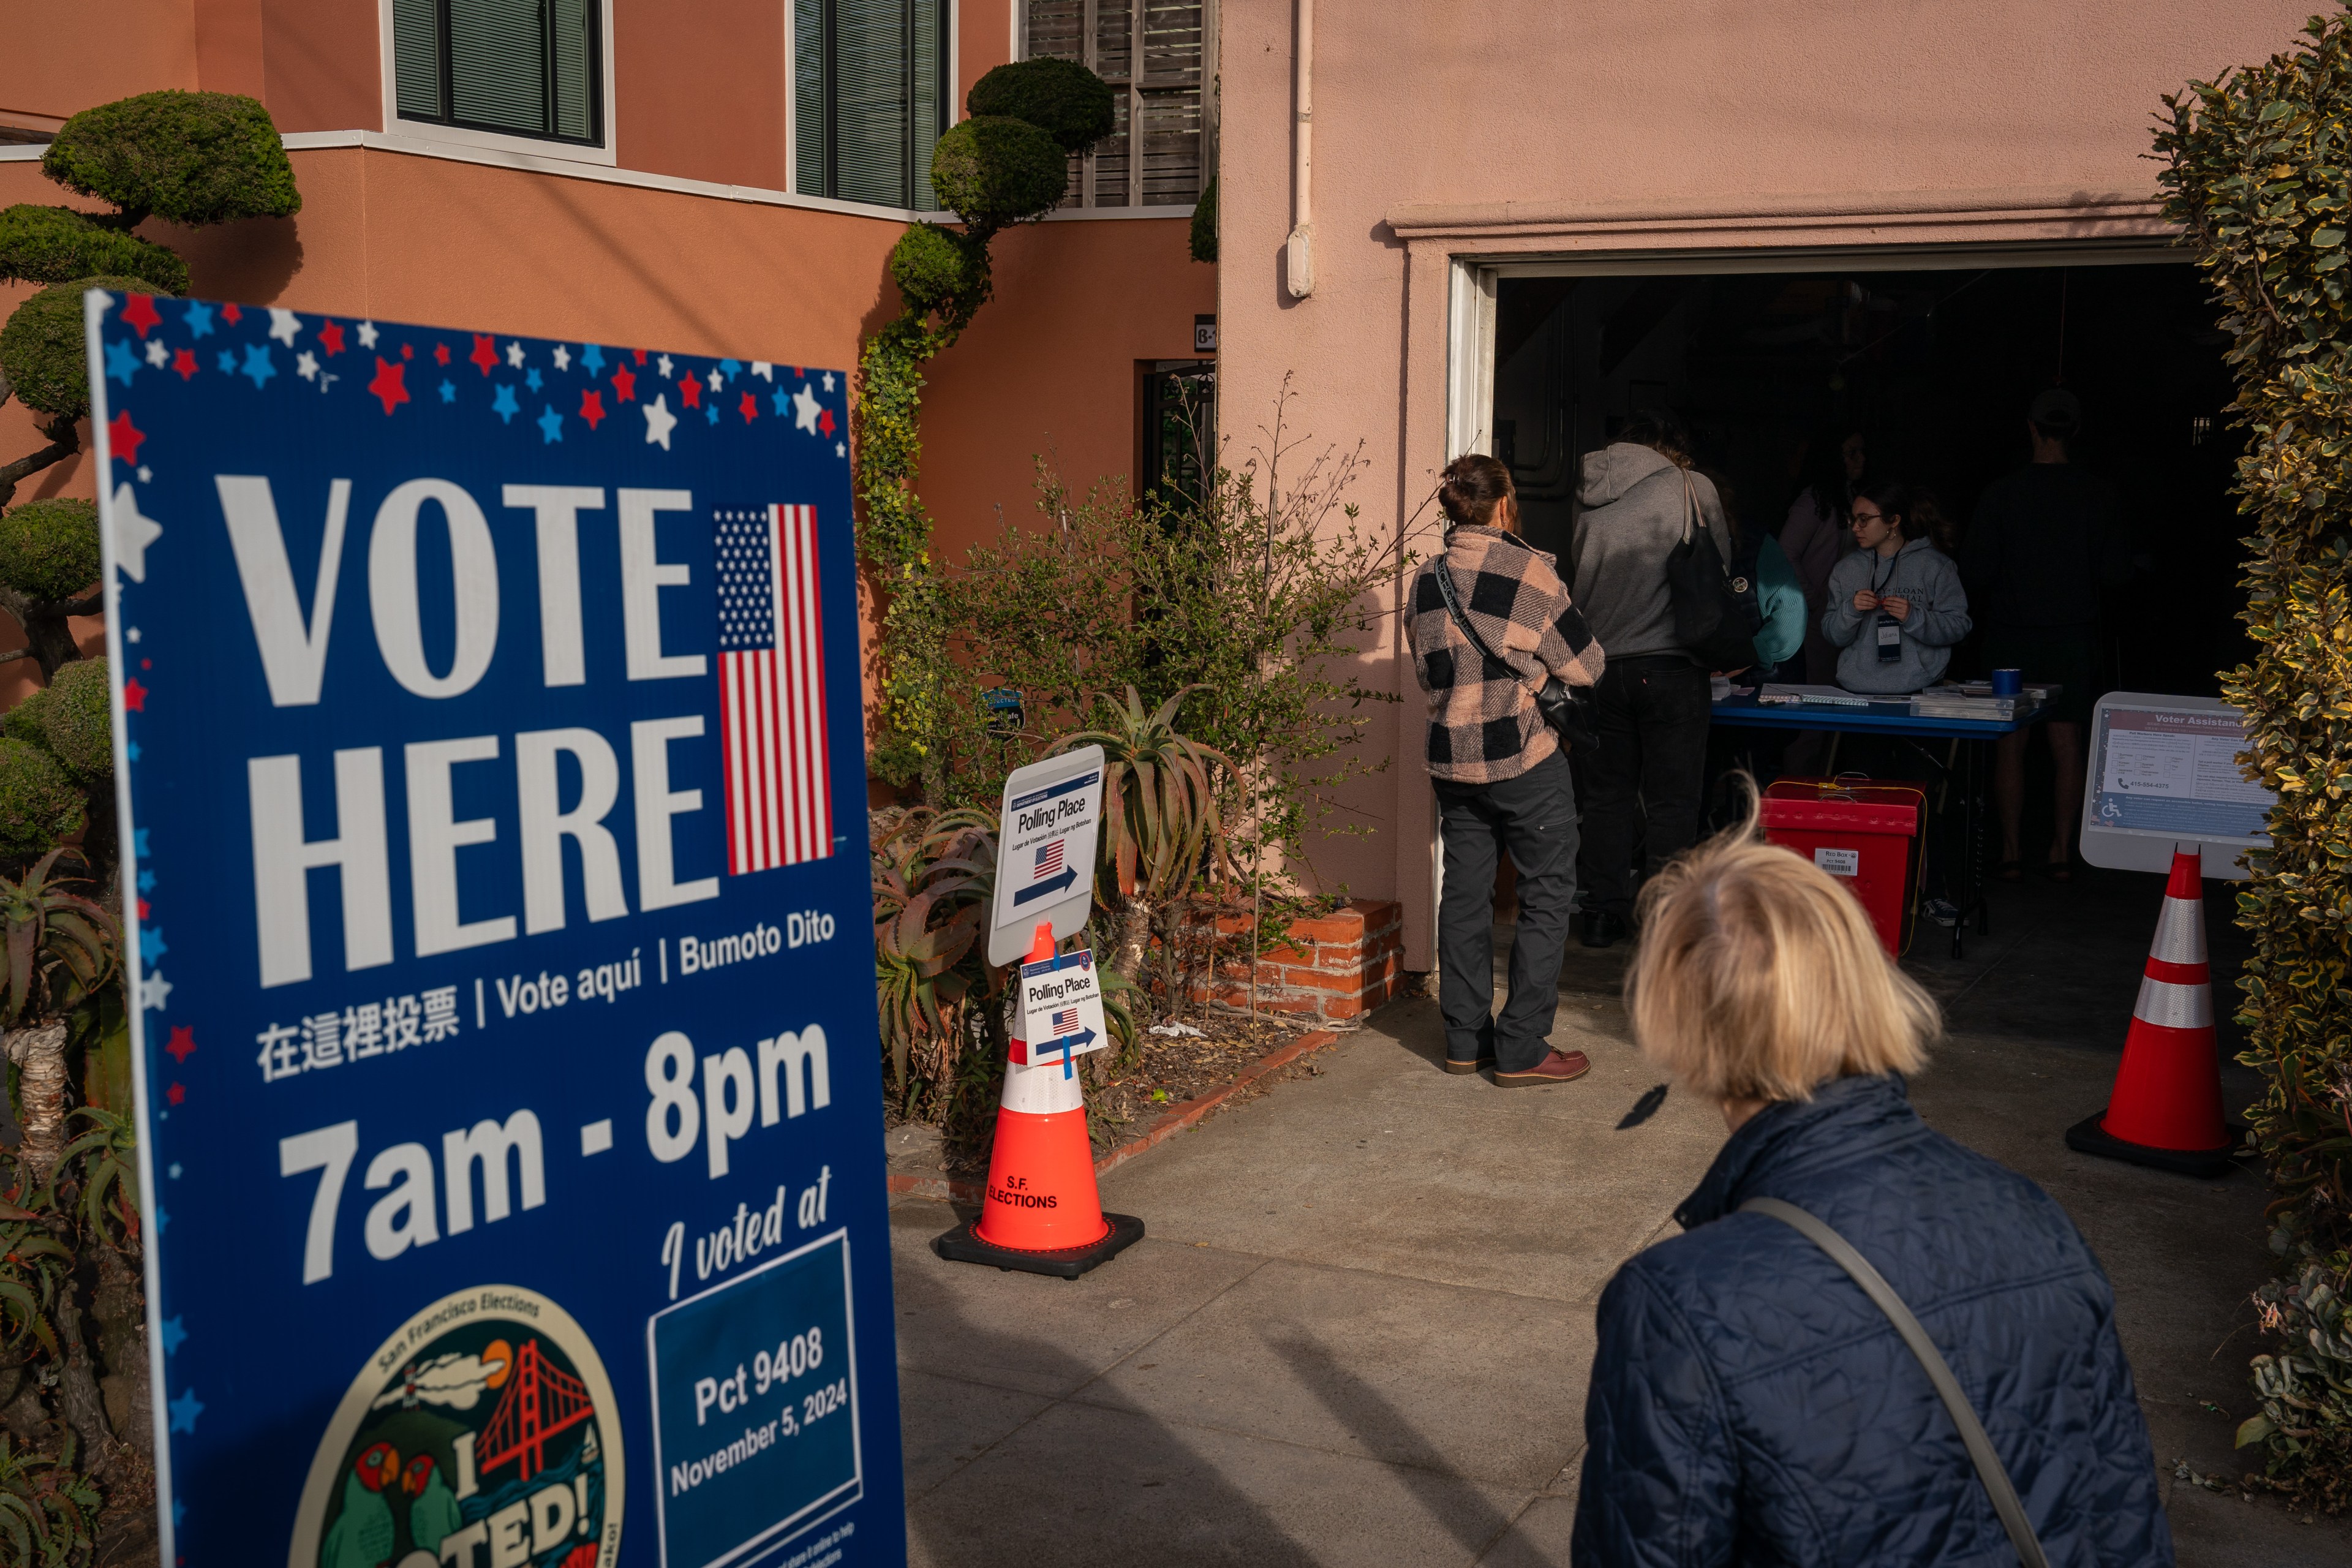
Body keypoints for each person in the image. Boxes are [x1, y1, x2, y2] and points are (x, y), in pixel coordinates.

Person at [1572, 804, 2171, 1565]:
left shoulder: (1676, 1302)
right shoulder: (2032, 1212)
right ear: (1864, 981)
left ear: (1680, 1026)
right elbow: (2122, 1515)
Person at [1406, 453, 1605, 1085]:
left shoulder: (1424, 581)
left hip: (1452, 759)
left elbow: (1425, 673)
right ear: (1502, 503)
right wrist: (1539, 670)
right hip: (1523, 757)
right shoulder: (1528, 570)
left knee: (1464, 897)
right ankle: (1521, 1045)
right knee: (1547, 892)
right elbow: (1588, 664)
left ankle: (1466, 1042)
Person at [1569, 410, 1728, 948]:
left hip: (1600, 668)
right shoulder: (1690, 487)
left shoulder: (1589, 495)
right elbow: (1718, 568)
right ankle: (1665, 922)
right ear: (1667, 448)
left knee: (1606, 799)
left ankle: (1600, 912)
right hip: (1669, 665)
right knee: (1672, 802)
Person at [1962, 388, 2130, 881]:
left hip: (2011, 634)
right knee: (2067, 742)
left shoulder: (2001, 494)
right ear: (2074, 432)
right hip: (2072, 634)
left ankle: (2011, 851)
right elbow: (2118, 574)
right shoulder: (2099, 494)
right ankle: (2061, 851)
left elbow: (1975, 570)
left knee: (2010, 742)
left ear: (2031, 429)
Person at [1820, 479, 1971, 695]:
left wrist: (1914, 617)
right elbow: (1832, 635)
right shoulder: (1846, 570)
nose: (1855, 527)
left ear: (1893, 521)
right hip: (1857, 689)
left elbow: (1959, 626)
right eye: (1853, 519)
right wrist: (1850, 610)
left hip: (1919, 689)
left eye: (1864, 519)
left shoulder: (1936, 566)